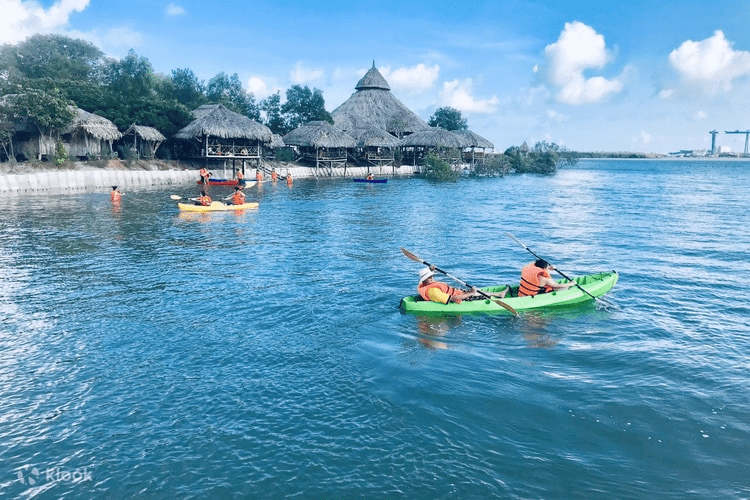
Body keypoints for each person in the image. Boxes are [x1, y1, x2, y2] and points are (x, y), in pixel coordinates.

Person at [417, 266, 506, 304]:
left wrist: (432, 268)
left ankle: (498, 294)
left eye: (432, 275)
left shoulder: (425, 284)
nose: (432, 278)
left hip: (458, 293)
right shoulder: (433, 292)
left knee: (477, 291)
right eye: (429, 277)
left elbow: (429, 281)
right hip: (458, 299)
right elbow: (453, 299)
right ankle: (499, 295)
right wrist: (471, 293)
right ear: (425, 279)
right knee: (476, 293)